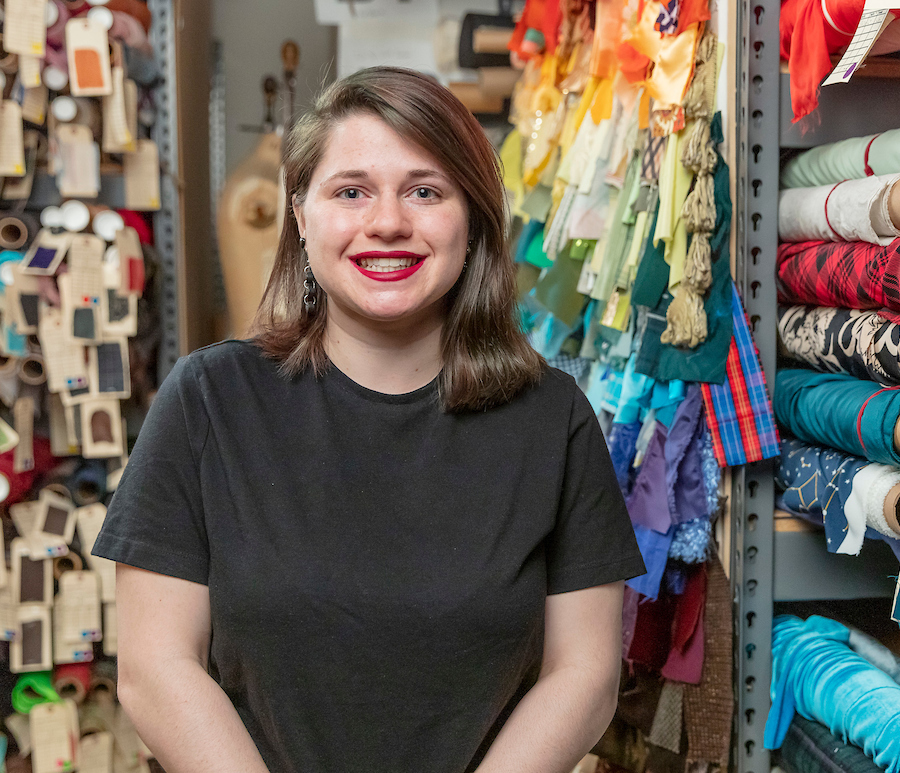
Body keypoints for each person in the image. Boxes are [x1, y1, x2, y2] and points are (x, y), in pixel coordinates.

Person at [92, 66, 646, 773]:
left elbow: (586, 675)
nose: (387, 221)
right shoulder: (208, 399)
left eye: (424, 191)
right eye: (351, 191)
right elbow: (155, 666)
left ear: (472, 218)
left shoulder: (553, 416)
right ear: (301, 213)